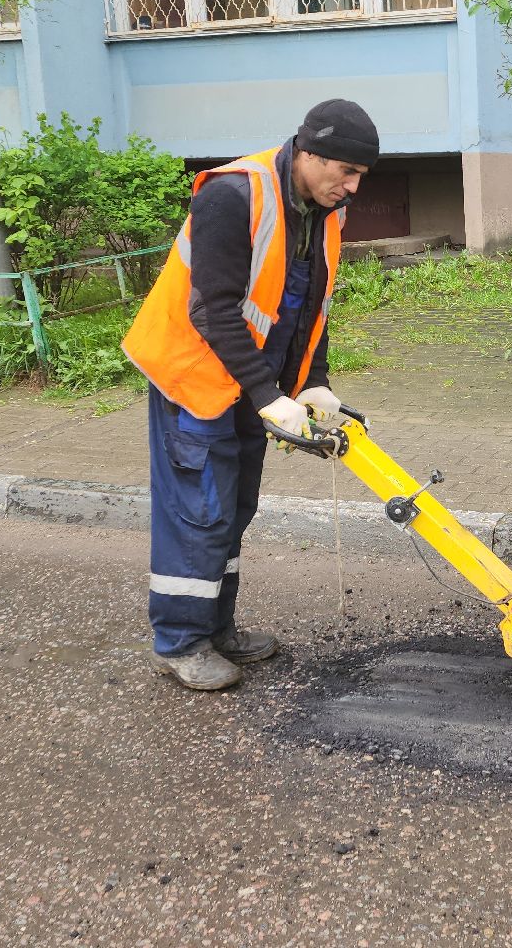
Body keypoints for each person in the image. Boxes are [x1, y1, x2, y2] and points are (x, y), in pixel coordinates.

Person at [122, 99, 378, 691]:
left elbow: (309, 308)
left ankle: (217, 628)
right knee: (201, 511)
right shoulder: (232, 196)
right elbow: (212, 308)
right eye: (346, 171)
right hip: (195, 378)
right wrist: (268, 394)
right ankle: (181, 642)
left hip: (250, 383)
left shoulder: (323, 210)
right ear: (308, 152)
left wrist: (313, 382)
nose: (353, 186)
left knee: (236, 509)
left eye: (361, 175)